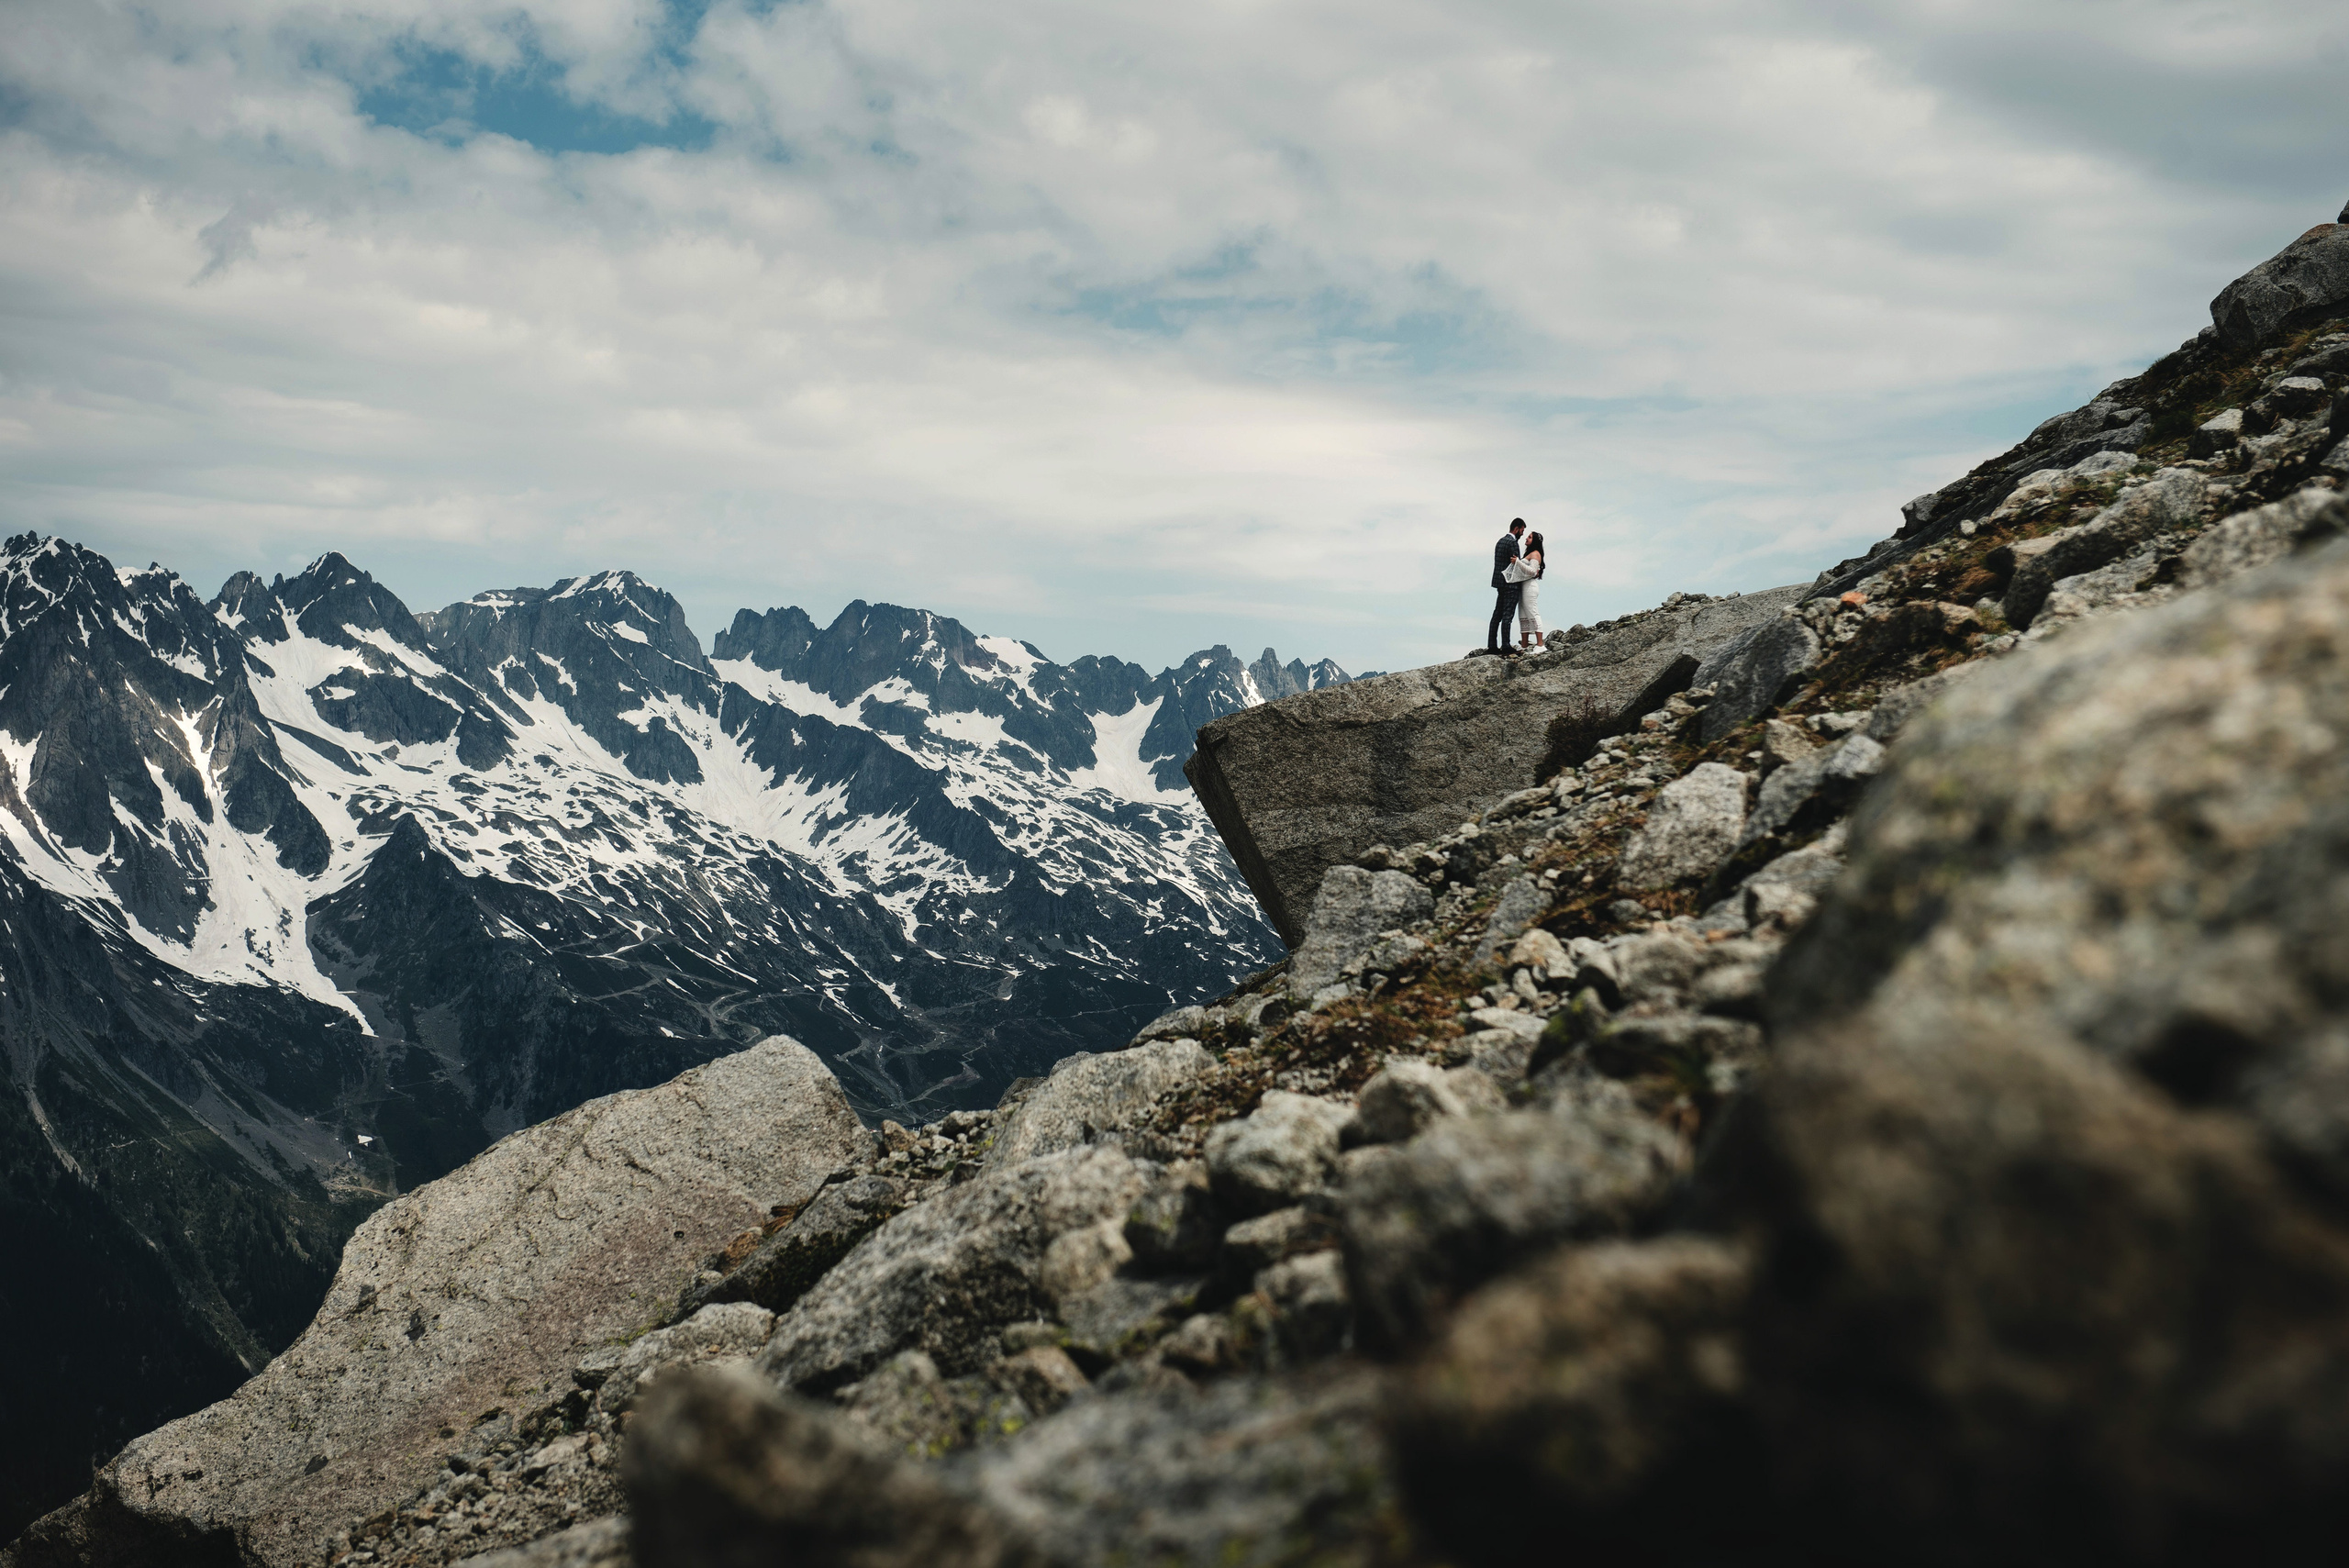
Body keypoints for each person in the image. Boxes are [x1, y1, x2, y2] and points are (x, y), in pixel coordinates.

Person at [1487, 518, 1527, 654]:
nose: (1522, 534)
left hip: (1499, 583)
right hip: (1511, 584)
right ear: (1516, 529)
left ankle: (1492, 645)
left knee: (1497, 615)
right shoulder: (1513, 543)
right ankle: (1506, 646)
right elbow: (1516, 566)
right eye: (1522, 531)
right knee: (1507, 616)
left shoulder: (1500, 541)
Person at [1508, 529, 1546, 650]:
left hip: (1530, 587)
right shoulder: (1530, 553)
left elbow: (1532, 571)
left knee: (1532, 613)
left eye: (1529, 537)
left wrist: (1517, 562)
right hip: (1523, 587)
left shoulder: (1535, 554)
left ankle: (1540, 644)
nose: (1526, 538)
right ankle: (1524, 645)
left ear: (1534, 541)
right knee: (1523, 615)